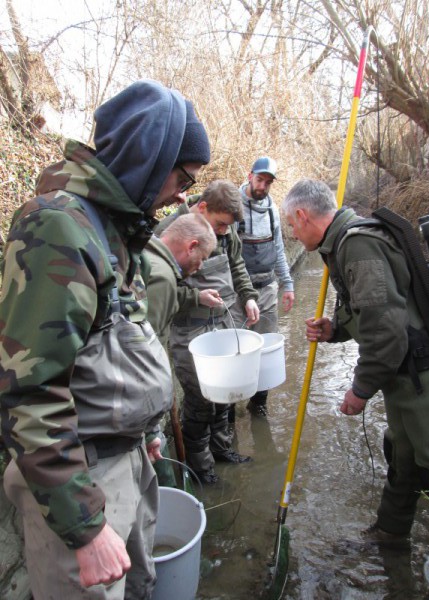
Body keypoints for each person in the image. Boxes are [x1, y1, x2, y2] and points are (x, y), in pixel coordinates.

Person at [0, 79, 210, 600]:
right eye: (182, 177)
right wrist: (85, 528)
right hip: (80, 479)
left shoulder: (115, 233)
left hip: (126, 457)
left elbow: (112, 349)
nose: (184, 194)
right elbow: (31, 393)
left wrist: (144, 427)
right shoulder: (58, 228)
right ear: (147, 159)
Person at [282, 178, 429, 600]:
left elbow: (387, 333)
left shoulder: (357, 244)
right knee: (404, 459)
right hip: (404, 377)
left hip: (422, 377)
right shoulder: (345, 242)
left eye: (291, 225)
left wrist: (360, 390)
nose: (291, 233)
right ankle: (390, 535)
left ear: (303, 216)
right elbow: (372, 311)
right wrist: (335, 327)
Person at [156, 179, 260, 484]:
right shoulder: (169, 234)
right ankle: (202, 470)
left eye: (228, 226)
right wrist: (195, 297)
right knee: (200, 401)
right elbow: (161, 290)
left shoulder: (227, 232)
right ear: (202, 208)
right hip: (190, 331)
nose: (224, 231)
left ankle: (222, 450)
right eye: (220, 224)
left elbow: (238, 266)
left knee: (224, 393)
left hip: (223, 323)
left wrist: (249, 296)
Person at [144, 213, 219, 486]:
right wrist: (152, 425)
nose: (199, 268)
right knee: (158, 470)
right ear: (191, 246)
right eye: (201, 259)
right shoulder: (163, 277)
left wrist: (197, 296)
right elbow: (143, 350)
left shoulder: (146, 253)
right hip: (137, 405)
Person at [231, 156, 294, 418]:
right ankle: (229, 406)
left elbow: (278, 250)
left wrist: (287, 284)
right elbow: (228, 255)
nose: (263, 186)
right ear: (249, 175)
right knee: (235, 350)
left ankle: (258, 404)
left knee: (266, 348)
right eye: (260, 180)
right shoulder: (233, 207)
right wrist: (242, 294)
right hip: (236, 292)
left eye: (268, 182)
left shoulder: (272, 210)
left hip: (267, 288)